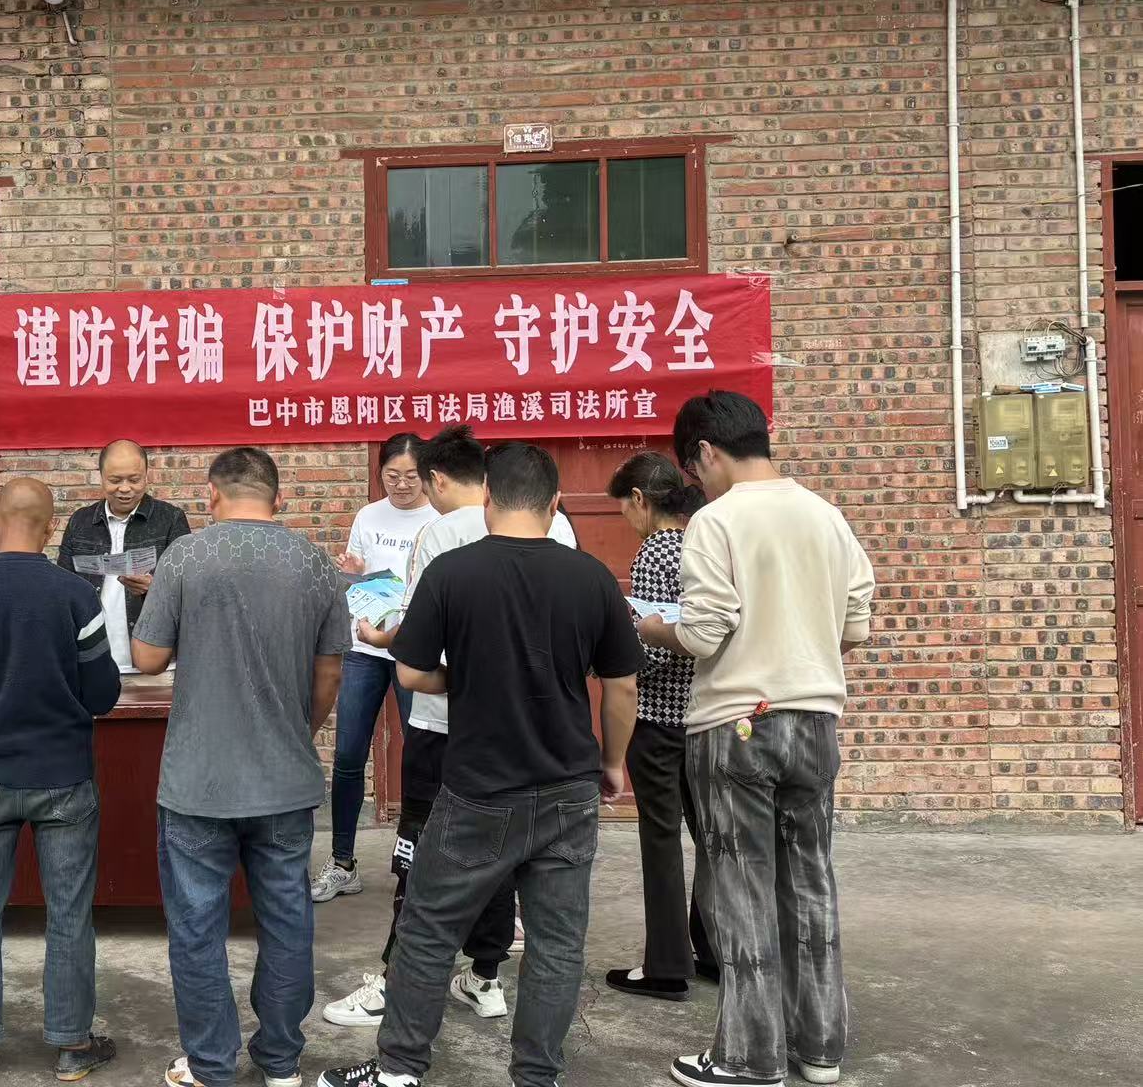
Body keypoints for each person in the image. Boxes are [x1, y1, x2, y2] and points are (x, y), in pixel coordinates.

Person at [319, 442, 640, 1087]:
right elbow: (623, 685)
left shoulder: (453, 572)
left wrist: (466, 682)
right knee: (556, 944)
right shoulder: (591, 577)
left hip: (478, 787)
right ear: (555, 504)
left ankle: (399, 1070)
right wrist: (612, 762)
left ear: (488, 497)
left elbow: (412, 673)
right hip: (569, 786)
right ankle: (536, 1077)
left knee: (429, 928)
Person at [638, 391, 873, 1087]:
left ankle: (748, 1055)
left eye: (694, 470)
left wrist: (654, 628)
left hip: (736, 724)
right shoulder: (826, 515)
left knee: (739, 886)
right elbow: (855, 626)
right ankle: (819, 1046)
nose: (698, 484)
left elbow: (704, 632)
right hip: (815, 719)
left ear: (706, 452)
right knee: (810, 880)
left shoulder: (717, 520)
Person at [131, 447, 349, 1087]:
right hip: (284, 781)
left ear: (212, 495)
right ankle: (280, 1062)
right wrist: (297, 733)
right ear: (278, 499)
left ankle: (210, 1066)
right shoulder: (315, 562)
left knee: (197, 929)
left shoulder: (184, 557)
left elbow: (147, 659)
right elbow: (331, 674)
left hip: (199, 782)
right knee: (287, 923)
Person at [0, 477, 121, 1086]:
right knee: (69, 913)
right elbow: (102, 694)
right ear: (52, 527)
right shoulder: (76, 595)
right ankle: (73, 1045)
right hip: (63, 778)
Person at [599, 451, 716, 1003]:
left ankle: (666, 965)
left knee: (662, 840)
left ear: (640, 500)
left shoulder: (655, 551)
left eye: (624, 507)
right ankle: (714, 951)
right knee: (712, 838)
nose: (626, 518)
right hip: (706, 715)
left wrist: (617, 642)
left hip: (659, 721)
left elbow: (656, 649)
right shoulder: (702, 543)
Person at [312, 433, 434, 904]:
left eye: (411, 476)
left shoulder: (437, 518)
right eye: (391, 476)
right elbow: (356, 579)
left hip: (413, 649)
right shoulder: (368, 516)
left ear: (427, 475)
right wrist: (353, 570)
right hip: (365, 648)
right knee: (348, 755)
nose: (401, 485)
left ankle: (417, 863)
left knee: (420, 755)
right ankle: (342, 862)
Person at [58, 439, 193, 675]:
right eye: (115, 480)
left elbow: (189, 590)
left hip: (155, 660)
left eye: (134, 479)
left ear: (147, 476)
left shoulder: (171, 519)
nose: (124, 488)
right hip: (92, 659)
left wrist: (154, 588)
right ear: (101, 477)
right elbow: (62, 588)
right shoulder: (80, 521)